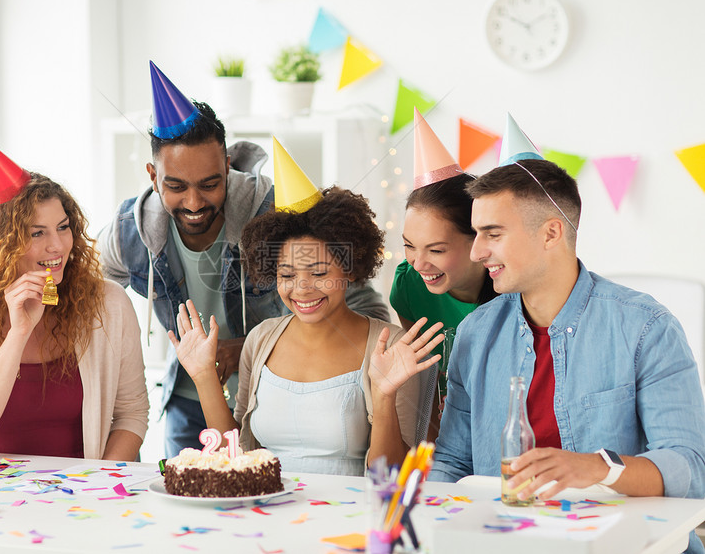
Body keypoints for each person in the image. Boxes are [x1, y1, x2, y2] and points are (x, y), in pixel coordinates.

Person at [97, 63, 389, 458]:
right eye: (176, 186)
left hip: (275, 402)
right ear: (153, 176)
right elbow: (87, 297)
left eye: (210, 184)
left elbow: (359, 300)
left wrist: (257, 345)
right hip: (188, 398)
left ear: (227, 169)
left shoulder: (275, 212)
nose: (195, 203)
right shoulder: (128, 232)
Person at [428, 158, 705, 553]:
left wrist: (601, 468)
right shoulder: (476, 333)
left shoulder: (646, 327)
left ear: (551, 233)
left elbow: (691, 469)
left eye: (492, 234)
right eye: (476, 234)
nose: (476, 252)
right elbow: (453, 463)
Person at [169, 183, 444, 475]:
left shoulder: (389, 346)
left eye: (319, 273)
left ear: (349, 268)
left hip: (350, 515)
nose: (302, 289)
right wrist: (203, 377)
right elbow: (236, 456)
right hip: (268, 511)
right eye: (287, 274)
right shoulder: (261, 339)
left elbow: (393, 475)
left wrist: (384, 396)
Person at [0, 130, 148, 460]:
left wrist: (98, 487)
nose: (57, 245)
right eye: (37, 233)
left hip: (84, 503)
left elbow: (132, 414)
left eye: (62, 227)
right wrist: (18, 333)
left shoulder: (108, 303)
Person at [389, 110, 498, 440]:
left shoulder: (513, 293)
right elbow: (427, 377)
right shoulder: (409, 286)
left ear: (478, 240)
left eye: (436, 250)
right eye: (409, 246)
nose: (419, 263)